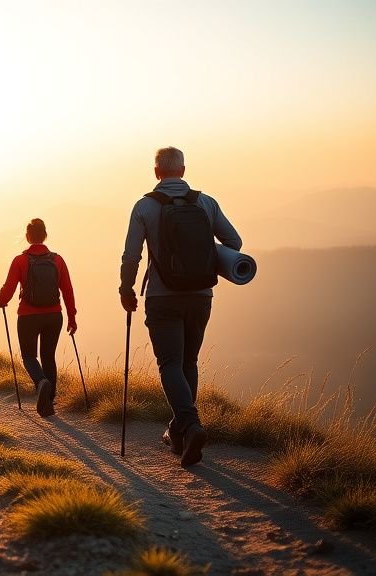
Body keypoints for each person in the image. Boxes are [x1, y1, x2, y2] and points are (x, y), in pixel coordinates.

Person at [119, 147, 242, 466]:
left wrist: (126, 289)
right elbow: (234, 242)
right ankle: (179, 432)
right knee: (189, 361)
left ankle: (190, 425)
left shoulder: (144, 206)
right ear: (183, 171)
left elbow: (132, 255)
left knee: (170, 362)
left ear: (156, 172)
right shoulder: (206, 203)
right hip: (201, 296)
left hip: (163, 297)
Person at [0, 218, 78, 417]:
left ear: (28, 236)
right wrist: (72, 318)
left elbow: (8, 290)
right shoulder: (58, 260)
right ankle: (48, 403)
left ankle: (41, 382)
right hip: (54, 316)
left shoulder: (20, 261)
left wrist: (1, 300)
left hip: (28, 316)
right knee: (48, 357)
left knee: (29, 356)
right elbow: (67, 290)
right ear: (45, 235)